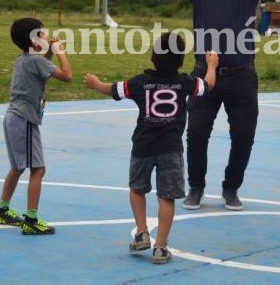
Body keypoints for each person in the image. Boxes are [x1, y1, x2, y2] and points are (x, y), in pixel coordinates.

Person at [85, 33, 218, 264]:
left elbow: (113, 90)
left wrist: (95, 83)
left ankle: (142, 231)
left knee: (137, 189)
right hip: (171, 149)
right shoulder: (185, 82)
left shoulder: (139, 83)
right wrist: (212, 65)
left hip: (143, 146)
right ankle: (160, 246)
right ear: (180, 60)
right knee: (166, 196)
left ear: (153, 57)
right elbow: (207, 86)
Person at [165, 0, 266, 211]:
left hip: (241, 76)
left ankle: (231, 188)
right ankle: (195, 187)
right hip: (203, 74)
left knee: (243, 136)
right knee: (195, 133)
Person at [0, 17, 72, 235]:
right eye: (43, 34)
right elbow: (67, 76)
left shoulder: (24, 59)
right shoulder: (36, 61)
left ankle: (2, 209)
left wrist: (50, 52)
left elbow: (43, 69)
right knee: (38, 169)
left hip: (14, 118)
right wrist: (60, 51)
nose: (47, 37)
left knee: (18, 167)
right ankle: (31, 219)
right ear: (35, 41)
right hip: (24, 120)